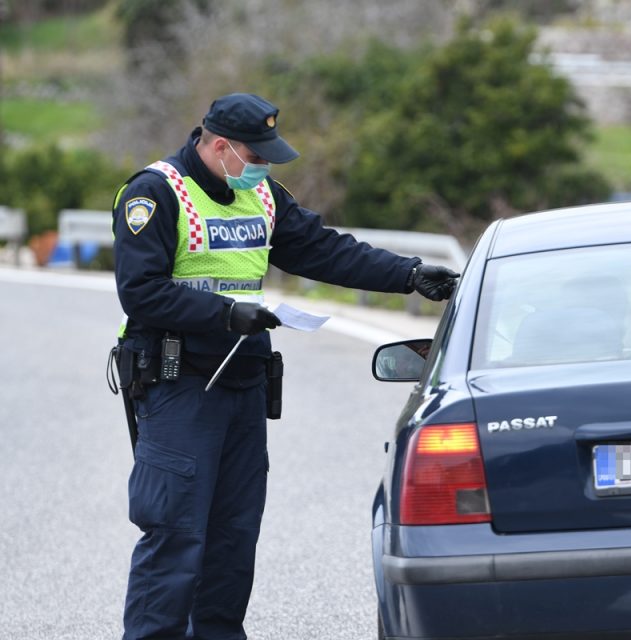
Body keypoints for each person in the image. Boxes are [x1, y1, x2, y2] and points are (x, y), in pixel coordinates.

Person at [112, 92, 458, 640]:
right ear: (219, 146)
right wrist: (227, 313)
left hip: (242, 383)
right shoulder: (155, 194)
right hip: (179, 386)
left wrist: (409, 276)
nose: (264, 168)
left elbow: (324, 250)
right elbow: (142, 293)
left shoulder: (262, 196)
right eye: (257, 157)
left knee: (232, 537)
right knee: (175, 533)